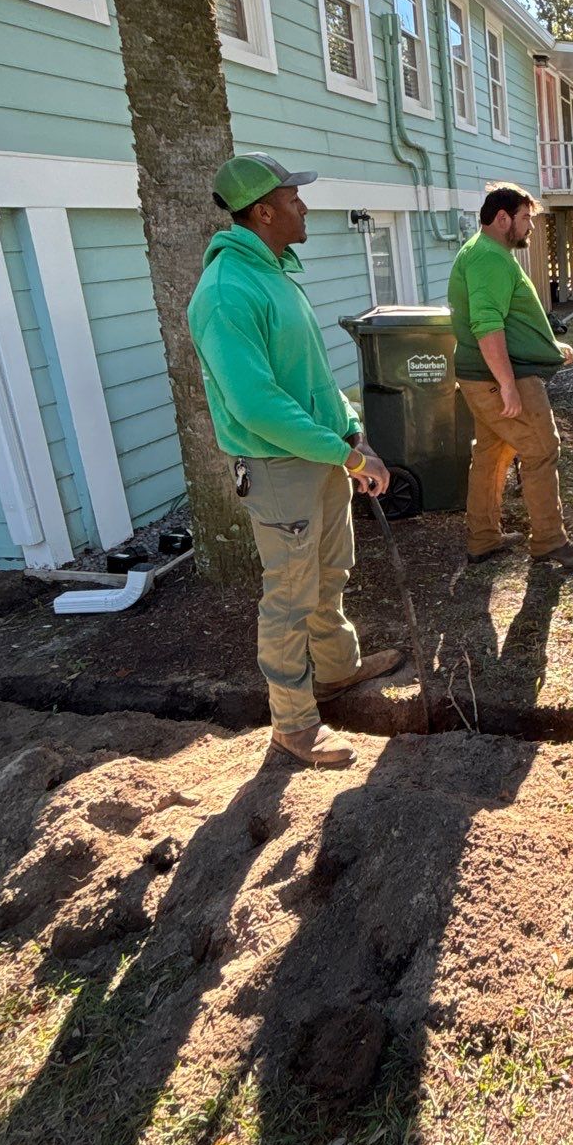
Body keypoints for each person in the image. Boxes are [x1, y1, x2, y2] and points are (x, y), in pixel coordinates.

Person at [188, 154, 404, 769]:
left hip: (322, 459)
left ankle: (336, 672)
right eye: (292, 199)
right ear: (262, 211)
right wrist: (341, 452)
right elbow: (256, 404)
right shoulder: (228, 291)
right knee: (288, 597)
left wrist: (354, 436)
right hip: (279, 470)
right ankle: (294, 724)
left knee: (330, 574)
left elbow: (311, 377)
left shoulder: (276, 274)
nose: (303, 207)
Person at [448, 184, 573, 570]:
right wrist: (508, 385)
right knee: (541, 449)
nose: (530, 226)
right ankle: (548, 540)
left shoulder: (485, 252)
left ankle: (483, 538)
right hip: (499, 377)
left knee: (492, 452)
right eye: (526, 218)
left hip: (487, 373)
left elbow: (507, 321)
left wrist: (546, 347)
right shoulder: (489, 258)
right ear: (502, 218)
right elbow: (486, 324)